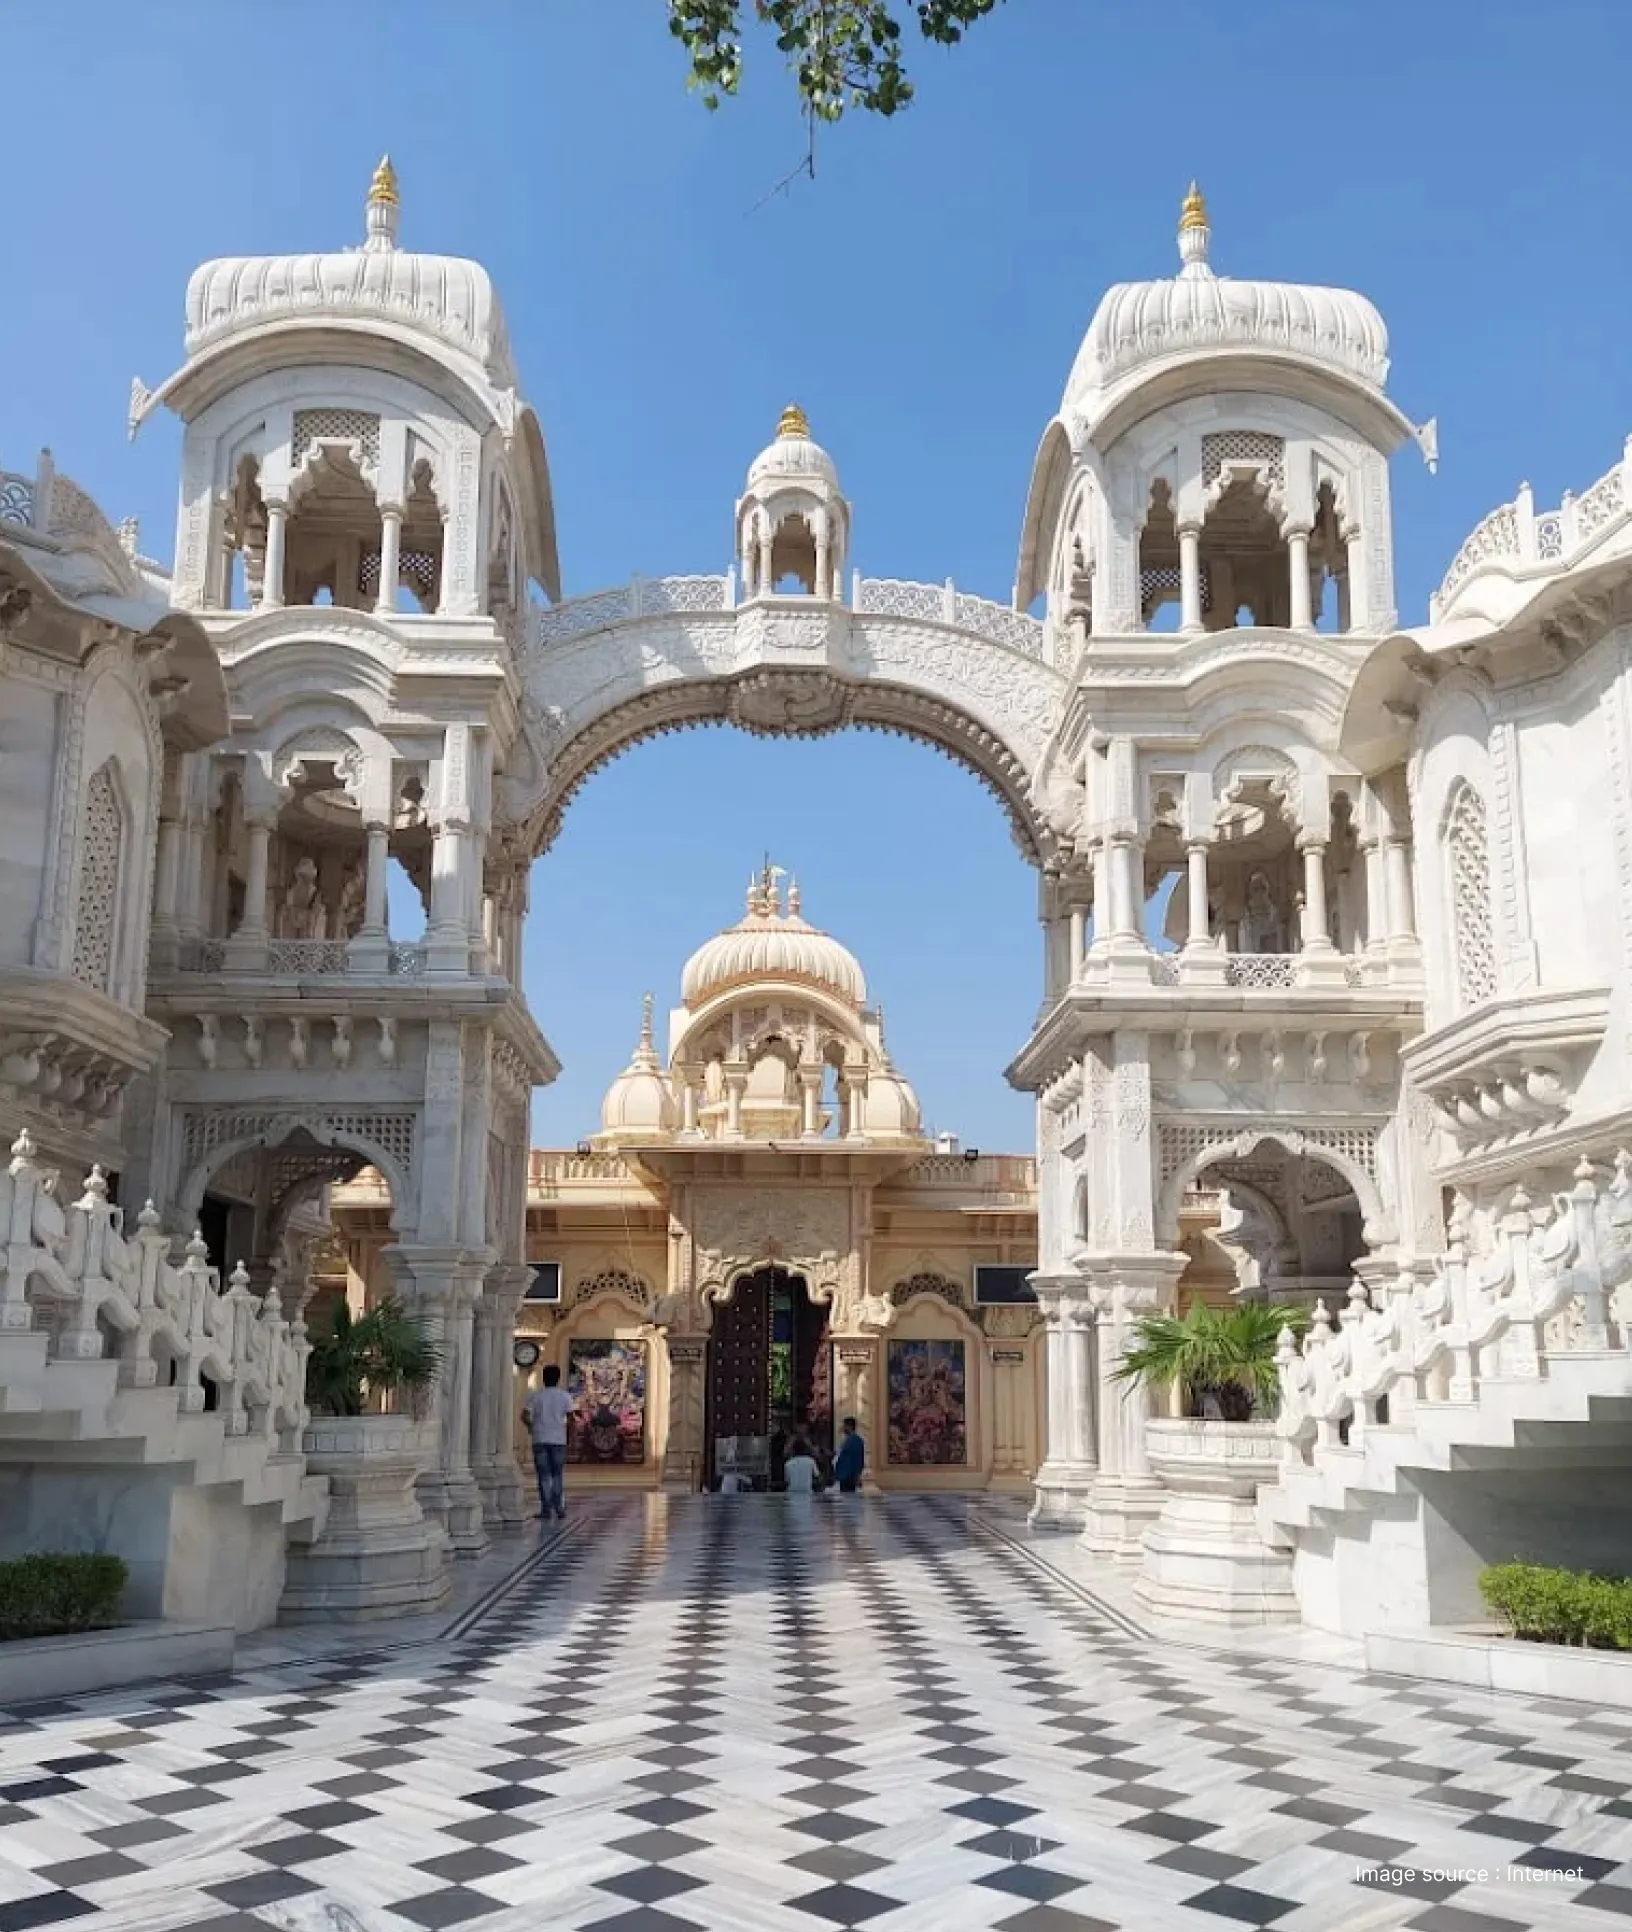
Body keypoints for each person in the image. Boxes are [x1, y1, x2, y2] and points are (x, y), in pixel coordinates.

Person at [521, 1364, 573, 1522]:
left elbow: (524, 1415)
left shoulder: (536, 1396)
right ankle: (559, 1507)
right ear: (558, 1379)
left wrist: (531, 1427)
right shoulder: (564, 1396)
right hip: (558, 1440)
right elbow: (571, 1417)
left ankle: (546, 1509)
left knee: (543, 1475)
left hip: (540, 1439)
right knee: (557, 1474)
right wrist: (563, 1428)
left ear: (544, 1378)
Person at [832, 1416, 865, 1493]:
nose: (843, 1428)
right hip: (844, 1474)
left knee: (848, 1496)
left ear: (849, 1426)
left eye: (844, 1426)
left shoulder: (855, 1440)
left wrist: (857, 1474)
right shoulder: (848, 1440)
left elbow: (858, 1459)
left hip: (849, 1474)